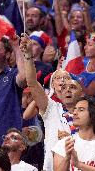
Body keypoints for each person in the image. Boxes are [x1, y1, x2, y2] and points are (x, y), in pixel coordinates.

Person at [20, 34, 84, 171]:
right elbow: (31, 82)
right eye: (59, 79)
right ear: (53, 85)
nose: (63, 83)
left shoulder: (90, 111)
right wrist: (28, 56)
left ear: (79, 90)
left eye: (67, 80)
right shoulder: (51, 107)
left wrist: (72, 139)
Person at [52, 96, 95, 171]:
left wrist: (78, 164)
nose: (74, 113)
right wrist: (67, 158)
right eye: (75, 109)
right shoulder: (65, 143)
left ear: (94, 115)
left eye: (81, 110)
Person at [0, 36, 26, 147]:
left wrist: (16, 48)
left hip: (8, 142)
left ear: (8, 54)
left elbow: (23, 79)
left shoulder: (13, 74)